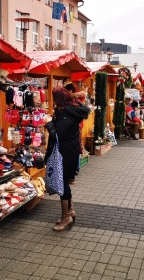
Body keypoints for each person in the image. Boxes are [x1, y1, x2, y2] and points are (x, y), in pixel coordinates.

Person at [45, 87, 90, 231]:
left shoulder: (66, 114)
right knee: (64, 182)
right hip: (68, 152)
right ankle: (70, 212)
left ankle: (66, 218)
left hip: (66, 153)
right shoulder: (70, 110)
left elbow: (57, 135)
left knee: (62, 183)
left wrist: (49, 124)